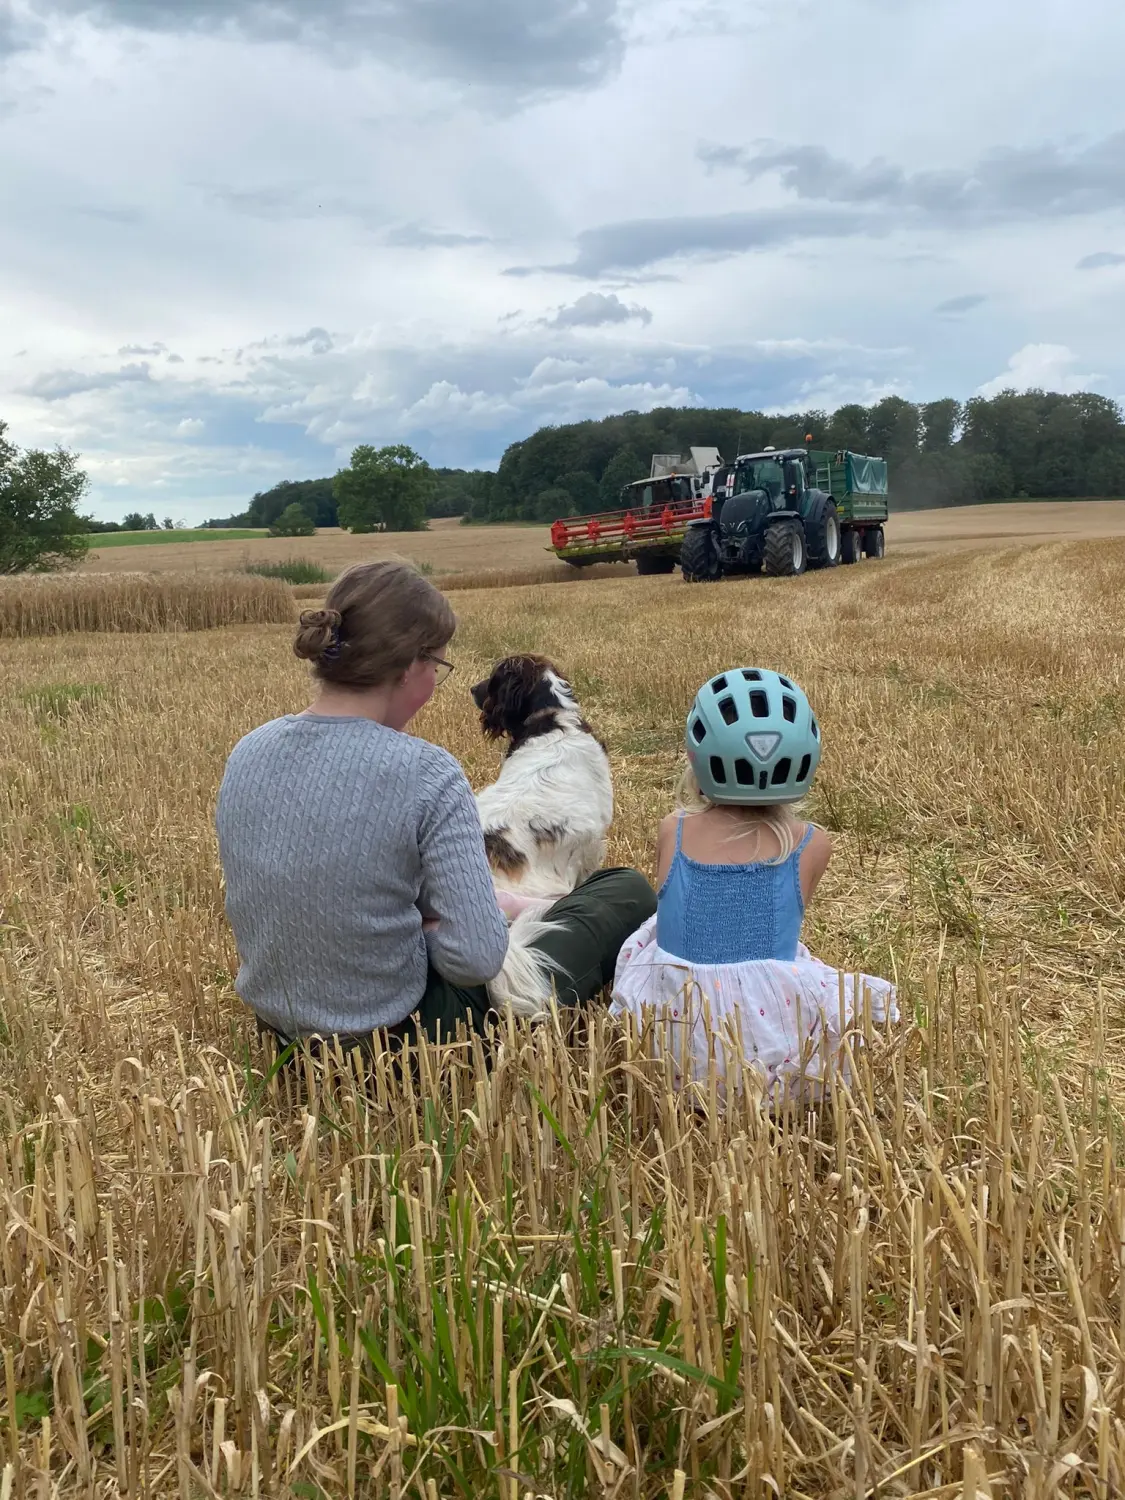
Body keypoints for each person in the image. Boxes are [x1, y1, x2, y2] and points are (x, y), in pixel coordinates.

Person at [215, 559, 655, 1057]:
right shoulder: (428, 773)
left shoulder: (247, 750)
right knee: (628, 890)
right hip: (399, 1043)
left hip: (280, 1032)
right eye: (439, 667)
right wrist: (435, 927)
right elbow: (474, 960)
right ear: (410, 665)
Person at [610, 667, 896, 1101]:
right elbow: (776, 943)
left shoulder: (674, 829)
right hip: (766, 1051)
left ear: (694, 756)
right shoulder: (813, 845)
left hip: (672, 1048)